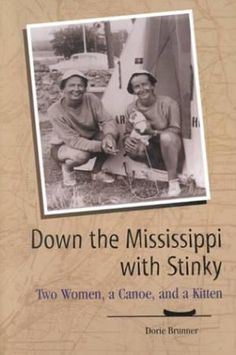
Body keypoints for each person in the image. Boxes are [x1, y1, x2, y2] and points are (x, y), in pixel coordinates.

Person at [48, 69, 119, 186]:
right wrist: (101, 146)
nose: (76, 89)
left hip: (88, 139)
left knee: (112, 136)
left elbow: (107, 120)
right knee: (81, 155)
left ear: (85, 88)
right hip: (63, 147)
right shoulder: (54, 111)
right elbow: (73, 140)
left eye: (80, 85)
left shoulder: (91, 99)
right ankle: (67, 168)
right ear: (63, 89)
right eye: (71, 85)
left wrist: (109, 136)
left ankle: (96, 172)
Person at [124, 70, 182, 197]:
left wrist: (153, 132)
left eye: (145, 84)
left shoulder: (168, 103)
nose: (142, 89)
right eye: (137, 86)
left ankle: (173, 182)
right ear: (133, 90)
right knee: (134, 148)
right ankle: (157, 170)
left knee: (167, 138)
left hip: (169, 145)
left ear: (152, 86)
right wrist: (127, 139)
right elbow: (127, 132)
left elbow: (176, 130)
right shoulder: (130, 108)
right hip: (150, 148)